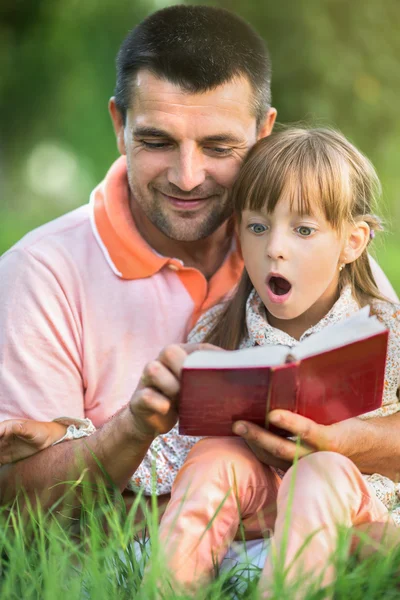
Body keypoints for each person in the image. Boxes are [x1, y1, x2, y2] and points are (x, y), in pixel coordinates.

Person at [0, 5, 397, 517]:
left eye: (218, 146)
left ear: (263, 132)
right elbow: (14, 508)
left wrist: (340, 444)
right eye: (157, 141)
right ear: (119, 124)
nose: (188, 178)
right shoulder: (39, 275)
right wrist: (131, 431)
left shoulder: (311, 244)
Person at [152, 127, 400, 596]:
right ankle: (168, 588)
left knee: (317, 470)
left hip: (353, 499)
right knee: (212, 457)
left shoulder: (390, 328)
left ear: (352, 242)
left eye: (303, 230)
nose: (275, 248)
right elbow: (170, 445)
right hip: (257, 493)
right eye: (258, 226)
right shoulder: (216, 330)